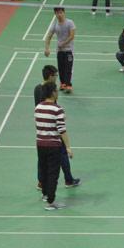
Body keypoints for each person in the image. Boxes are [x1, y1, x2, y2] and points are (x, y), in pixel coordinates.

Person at [33, 65, 81, 192]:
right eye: (55, 76)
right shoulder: (48, 90)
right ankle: (67, 180)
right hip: (52, 129)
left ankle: (42, 182)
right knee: (63, 153)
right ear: (50, 76)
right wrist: (59, 116)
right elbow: (50, 107)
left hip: (42, 127)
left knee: (42, 158)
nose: (57, 78)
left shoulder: (37, 88)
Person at [35, 82, 74, 211]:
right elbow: (62, 130)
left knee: (44, 169)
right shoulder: (57, 109)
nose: (57, 92)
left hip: (40, 144)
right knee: (53, 173)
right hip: (53, 145)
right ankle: (51, 202)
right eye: (56, 90)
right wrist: (68, 147)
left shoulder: (38, 107)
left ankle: (45, 195)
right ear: (52, 93)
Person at [44, 7, 76, 94]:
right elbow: (49, 36)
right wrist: (47, 48)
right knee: (61, 68)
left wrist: (63, 44)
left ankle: (68, 85)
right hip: (59, 51)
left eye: (61, 12)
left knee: (68, 68)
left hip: (69, 50)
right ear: (55, 14)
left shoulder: (70, 23)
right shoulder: (55, 25)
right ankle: (63, 84)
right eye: (57, 13)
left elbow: (72, 36)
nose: (59, 14)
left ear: (64, 13)